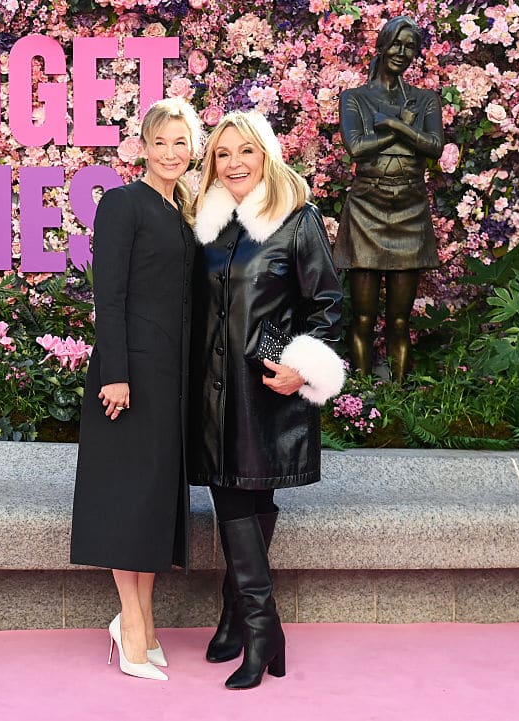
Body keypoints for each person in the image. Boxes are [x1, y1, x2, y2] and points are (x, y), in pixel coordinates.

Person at [190, 111, 345, 689]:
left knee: (244, 499)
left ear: (267, 156)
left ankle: (261, 630)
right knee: (240, 501)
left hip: (267, 394)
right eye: (222, 154)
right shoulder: (205, 225)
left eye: (245, 152)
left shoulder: (297, 220)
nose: (233, 163)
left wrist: (299, 366)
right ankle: (241, 620)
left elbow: (326, 304)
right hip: (211, 395)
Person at [69, 98, 202, 681]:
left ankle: (139, 622)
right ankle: (131, 623)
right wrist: (115, 374)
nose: (171, 153)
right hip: (130, 378)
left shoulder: (185, 211)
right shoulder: (123, 203)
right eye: (161, 142)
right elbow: (110, 296)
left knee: (152, 503)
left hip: (169, 380)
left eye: (181, 143)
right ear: (142, 146)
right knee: (129, 502)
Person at [333, 15, 444, 383]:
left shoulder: (425, 100)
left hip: (409, 210)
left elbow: (435, 147)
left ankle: (399, 401)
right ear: (381, 45)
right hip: (367, 207)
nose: (402, 52)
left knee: (400, 319)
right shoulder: (355, 98)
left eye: (410, 47)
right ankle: (362, 400)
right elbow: (356, 146)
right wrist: (408, 130)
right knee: (362, 316)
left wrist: (393, 124)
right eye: (396, 43)